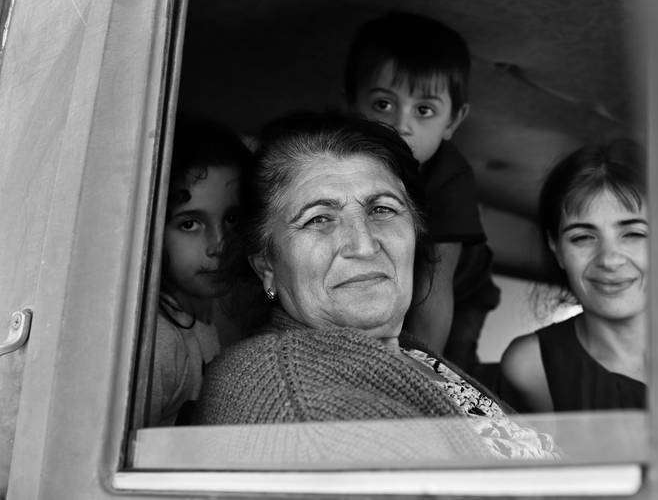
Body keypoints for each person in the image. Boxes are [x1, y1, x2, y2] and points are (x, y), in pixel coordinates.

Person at [193, 112, 558, 460]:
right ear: (266, 265)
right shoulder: (304, 408)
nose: (364, 245)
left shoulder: (405, 352)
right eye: (319, 219)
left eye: (381, 209)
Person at [344, 11, 500, 375]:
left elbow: (435, 286)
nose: (400, 124)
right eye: (383, 104)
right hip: (402, 276)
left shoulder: (450, 178)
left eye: (424, 110)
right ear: (351, 103)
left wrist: (423, 370)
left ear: (453, 121)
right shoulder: (337, 159)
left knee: (450, 369)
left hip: (460, 290)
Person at [500, 139, 648, 412]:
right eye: (582, 237)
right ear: (556, 248)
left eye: (634, 234)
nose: (609, 259)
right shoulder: (532, 367)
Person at [149, 117, 253, 426]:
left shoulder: (209, 321)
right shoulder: (159, 343)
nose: (218, 244)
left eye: (232, 219)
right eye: (190, 224)